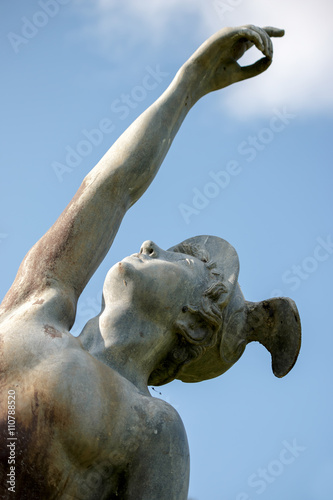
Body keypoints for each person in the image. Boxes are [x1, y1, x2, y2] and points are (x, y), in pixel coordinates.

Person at [0, 25, 301, 499]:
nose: (148, 244)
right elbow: (110, 190)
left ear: (195, 322)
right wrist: (189, 83)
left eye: (183, 259)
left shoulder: (154, 426)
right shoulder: (40, 302)